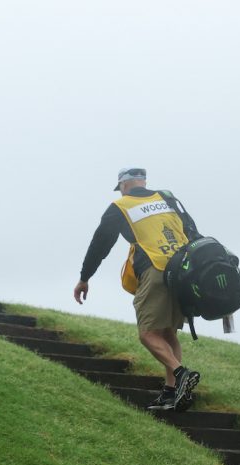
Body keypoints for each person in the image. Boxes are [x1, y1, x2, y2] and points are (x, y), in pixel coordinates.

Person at [73, 167, 201, 411]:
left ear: (123, 186)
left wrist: (84, 277)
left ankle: (181, 373)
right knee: (167, 332)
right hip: (184, 269)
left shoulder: (121, 207)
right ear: (143, 181)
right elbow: (192, 230)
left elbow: (100, 244)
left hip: (156, 269)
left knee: (148, 334)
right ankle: (171, 391)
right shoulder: (166, 198)